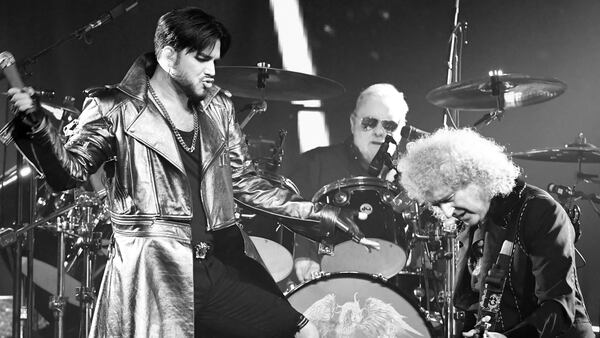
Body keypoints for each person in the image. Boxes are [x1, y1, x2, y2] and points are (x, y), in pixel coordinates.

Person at [7, 7, 379, 338]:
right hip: (156, 274)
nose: (212, 71)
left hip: (217, 266)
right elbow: (68, 173)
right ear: (168, 55)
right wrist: (40, 129)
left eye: (215, 60)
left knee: (304, 330)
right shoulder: (113, 107)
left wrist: (324, 215)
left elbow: (246, 183)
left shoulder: (217, 108)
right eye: (202, 59)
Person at [396, 128, 594, 337]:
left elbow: (558, 307)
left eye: (449, 198)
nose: (447, 212)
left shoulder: (540, 210)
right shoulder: (471, 223)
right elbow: (482, 306)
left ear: (478, 177)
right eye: (438, 204)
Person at [284, 83, 409, 283]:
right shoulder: (315, 162)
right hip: (322, 282)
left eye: (389, 125)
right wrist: (302, 253)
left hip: (393, 282)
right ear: (353, 122)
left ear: (402, 129)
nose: (379, 132)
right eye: (369, 122)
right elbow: (286, 214)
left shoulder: (410, 177)